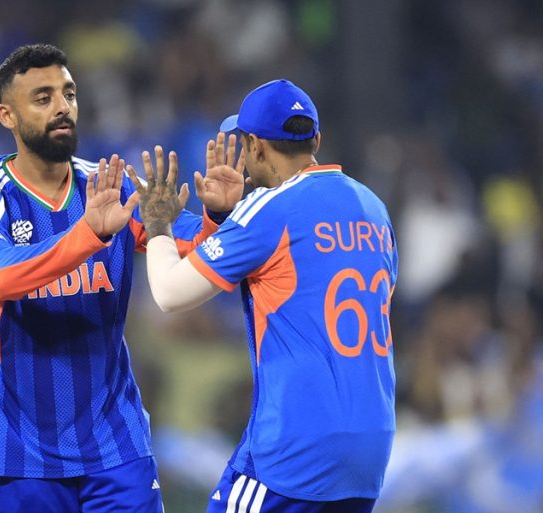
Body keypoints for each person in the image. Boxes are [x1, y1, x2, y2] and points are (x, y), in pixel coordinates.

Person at [0, 43, 244, 513]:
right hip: (22, 450)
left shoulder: (111, 186)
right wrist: (88, 235)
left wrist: (217, 217)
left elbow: (185, 243)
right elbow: (2, 279)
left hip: (115, 443)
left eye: (68, 93)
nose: (62, 107)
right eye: (42, 98)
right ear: (7, 115)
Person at [127, 79, 398, 513]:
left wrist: (158, 222)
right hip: (371, 446)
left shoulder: (269, 208)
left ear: (254, 146)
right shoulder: (373, 208)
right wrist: (223, 218)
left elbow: (169, 293)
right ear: (316, 141)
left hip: (297, 447)